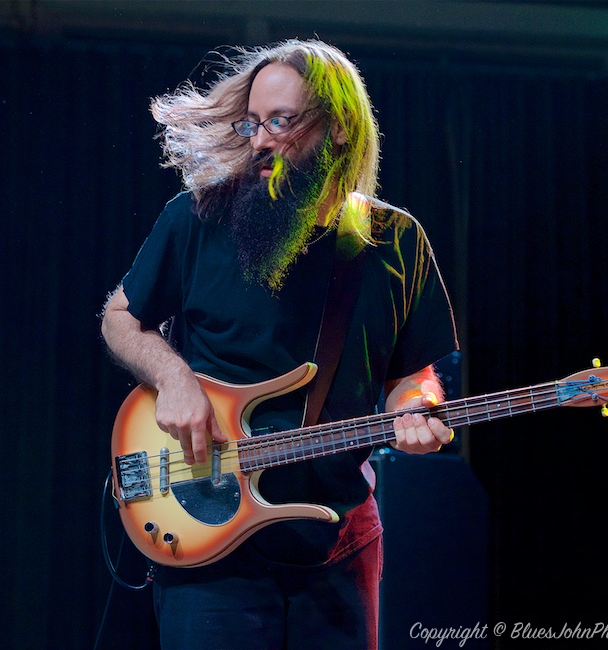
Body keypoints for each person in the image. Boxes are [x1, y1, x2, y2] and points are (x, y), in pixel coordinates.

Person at [101, 38, 459, 649]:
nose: (260, 140)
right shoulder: (197, 218)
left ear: (340, 128)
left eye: (280, 122)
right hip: (210, 538)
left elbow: (412, 374)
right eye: (252, 123)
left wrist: (418, 409)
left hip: (338, 543)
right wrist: (177, 380)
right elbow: (119, 318)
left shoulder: (395, 242)